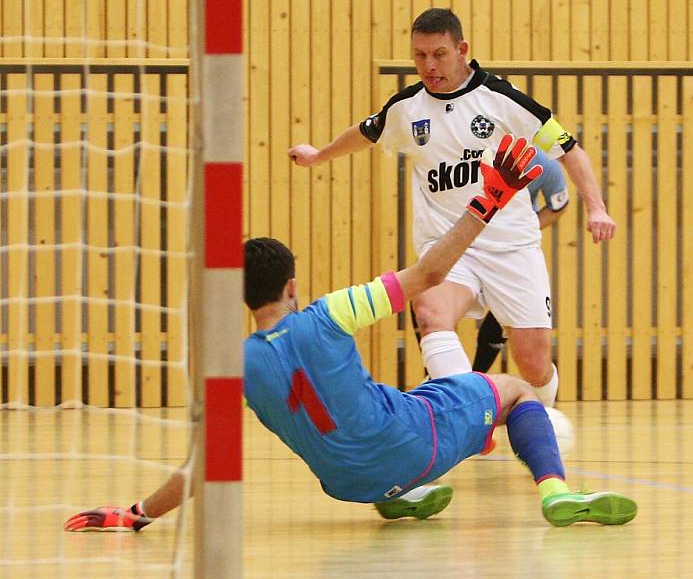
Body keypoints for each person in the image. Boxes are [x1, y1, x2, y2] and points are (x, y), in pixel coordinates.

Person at [64, 135, 636, 532]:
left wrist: (136, 512)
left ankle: (404, 499)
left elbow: (206, 466)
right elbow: (431, 274)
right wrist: (491, 195)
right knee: (511, 388)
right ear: (292, 285)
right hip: (414, 444)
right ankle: (557, 493)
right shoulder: (329, 314)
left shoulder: (234, 363)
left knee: (401, 402)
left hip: (347, 484)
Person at [288, 8, 615, 410]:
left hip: (511, 245)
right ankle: (469, 416)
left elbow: (569, 149)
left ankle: (542, 417)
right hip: (447, 248)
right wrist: (319, 156)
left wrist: (597, 208)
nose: (429, 65)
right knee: (429, 315)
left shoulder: (501, 99)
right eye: (419, 55)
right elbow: (367, 132)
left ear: (462, 50)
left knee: (532, 362)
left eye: (439, 54)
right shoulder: (407, 108)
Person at [472, 151, 569, 373]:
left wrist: (522, 231)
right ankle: (437, 375)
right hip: (468, 241)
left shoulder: (544, 165)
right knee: (432, 300)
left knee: (503, 317)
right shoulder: (472, 153)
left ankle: (476, 375)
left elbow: (559, 205)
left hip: (511, 250)